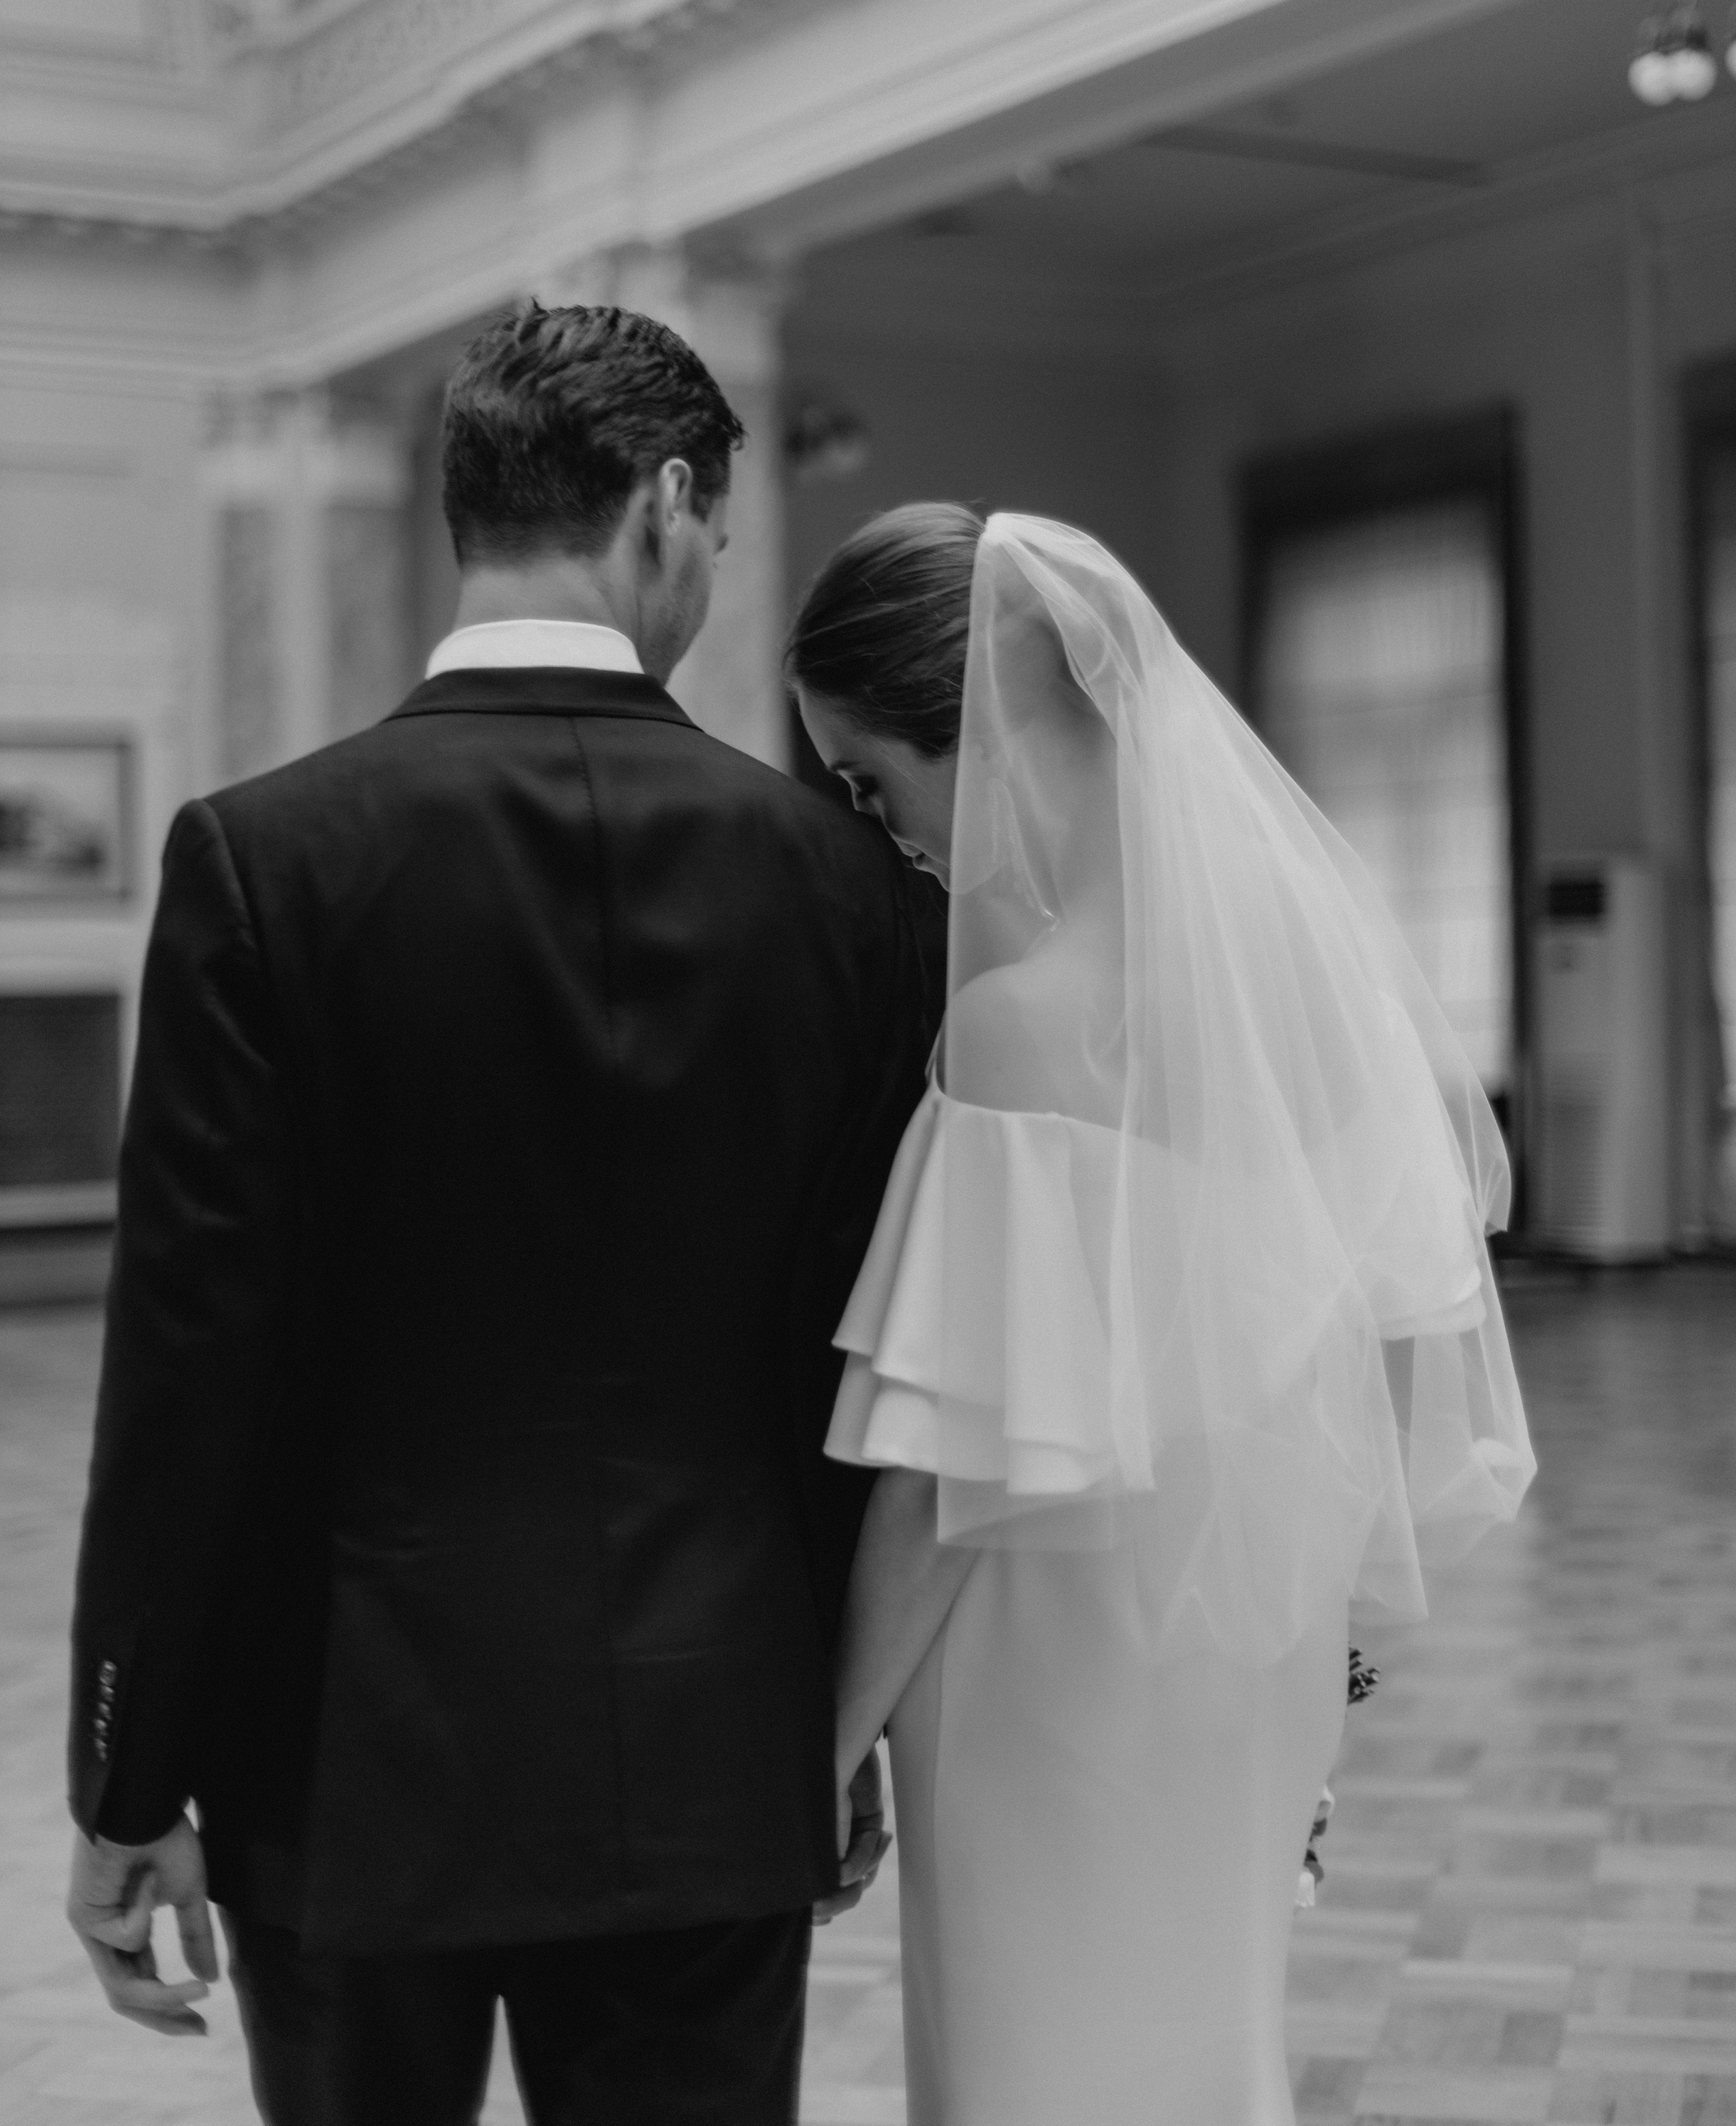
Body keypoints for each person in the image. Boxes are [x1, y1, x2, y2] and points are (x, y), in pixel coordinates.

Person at [65, 302, 929, 2126]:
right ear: (669, 505)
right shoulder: (842, 884)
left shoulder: (264, 856)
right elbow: (861, 1363)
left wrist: (127, 1782)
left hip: (347, 1757)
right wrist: (829, 1727)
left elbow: (187, 1369)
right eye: (707, 534)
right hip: (717, 1736)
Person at [788, 504, 1537, 2126]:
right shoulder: (1304, 978)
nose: (881, 829)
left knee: (1030, 2070)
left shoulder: (1017, 1026)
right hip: (1237, 1650)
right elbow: (1350, 1352)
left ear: (971, 730)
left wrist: (816, 1753)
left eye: (869, 780)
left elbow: (940, 1475)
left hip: (1041, 1678)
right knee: (1198, 2050)